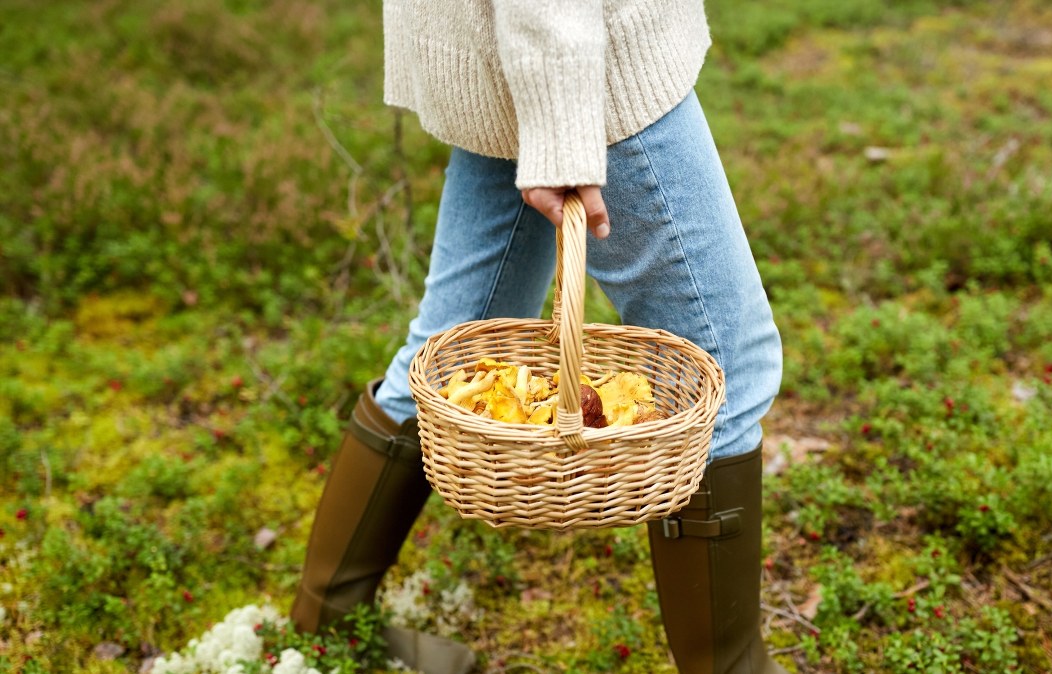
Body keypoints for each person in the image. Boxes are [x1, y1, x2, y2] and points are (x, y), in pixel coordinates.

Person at [289, 1, 786, 672]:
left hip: (519, 43)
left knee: (462, 348)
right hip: (582, 53)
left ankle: (327, 633)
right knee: (724, 369)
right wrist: (561, 120)